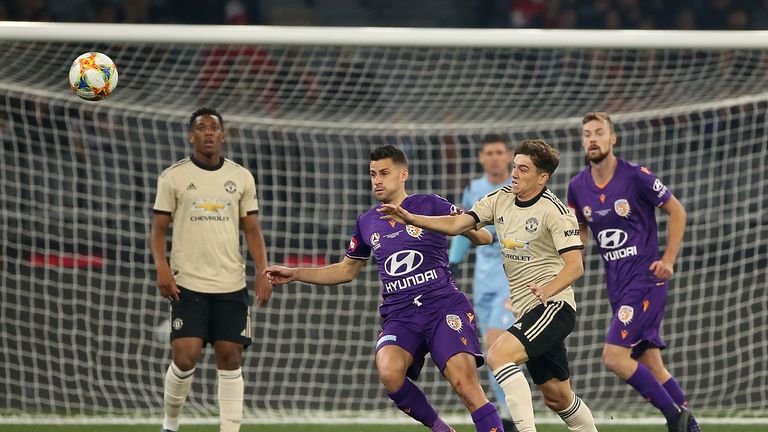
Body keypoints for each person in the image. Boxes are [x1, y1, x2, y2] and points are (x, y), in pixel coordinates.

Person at [265, 145, 505, 432]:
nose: (377, 180)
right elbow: (346, 270)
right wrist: (296, 273)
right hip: (401, 315)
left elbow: (480, 236)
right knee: (389, 372)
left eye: (384, 173)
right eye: (372, 174)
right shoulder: (367, 222)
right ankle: (442, 429)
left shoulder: (429, 204)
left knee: (465, 385)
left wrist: (467, 227)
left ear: (403, 175)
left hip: (443, 306)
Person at [379, 139, 598, 432]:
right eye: (514, 167)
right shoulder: (499, 199)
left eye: (523, 169)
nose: (515, 174)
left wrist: (548, 289)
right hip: (527, 311)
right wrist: (411, 218)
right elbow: (459, 225)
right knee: (558, 398)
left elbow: (575, 266)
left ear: (542, 177)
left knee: (497, 355)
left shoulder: (555, 212)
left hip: (552, 307)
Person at [567, 112, 700, 432]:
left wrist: (668, 259)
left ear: (613, 139)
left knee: (614, 357)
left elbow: (676, 210)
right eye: (587, 134)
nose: (593, 139)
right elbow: (580, 233)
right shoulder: (577, 187)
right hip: (617, 284)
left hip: (646, 279)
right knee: (652, 366)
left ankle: (675, 418)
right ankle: (693, 429)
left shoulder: (636, 176)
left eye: (599, 132)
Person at [150, 107, 272, 432]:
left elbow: (252, 230)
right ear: (191, 136)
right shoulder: (172, 177)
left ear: (222, 136)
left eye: (213, 128)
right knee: (185, 357)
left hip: (230, 284)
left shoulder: (241, 177)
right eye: (201, 128)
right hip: (187, 283)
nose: (207, 132)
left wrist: (262, 270)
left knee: (230, 358)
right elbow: (159, 229)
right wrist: (162, 268)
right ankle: (170, 424)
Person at [448, 134, 516, 426]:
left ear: (509, 156)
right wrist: (450, 263)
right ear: (480, 157)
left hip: (511, 278)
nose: (494, 157)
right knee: (492, 352)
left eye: (499, 152)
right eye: (489, 152)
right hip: (483, 282)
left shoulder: (517, 188)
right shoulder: (474, 190)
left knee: (497, 344)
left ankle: (511, 414)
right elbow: (464, 229)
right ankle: (509, 410)